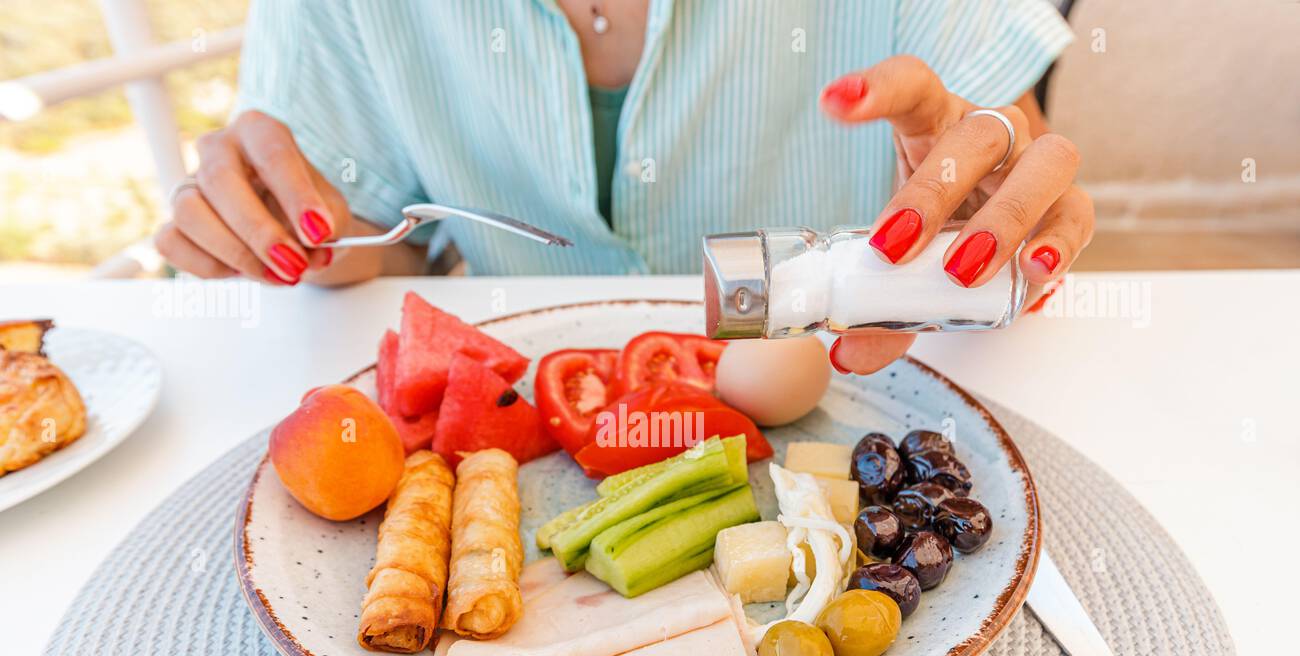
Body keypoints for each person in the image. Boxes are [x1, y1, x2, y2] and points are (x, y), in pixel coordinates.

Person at [155, 0, 1091, 374]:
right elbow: (374, 236)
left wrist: (993, 228)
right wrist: (296, 239)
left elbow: (1010, 176)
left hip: (862, 401)